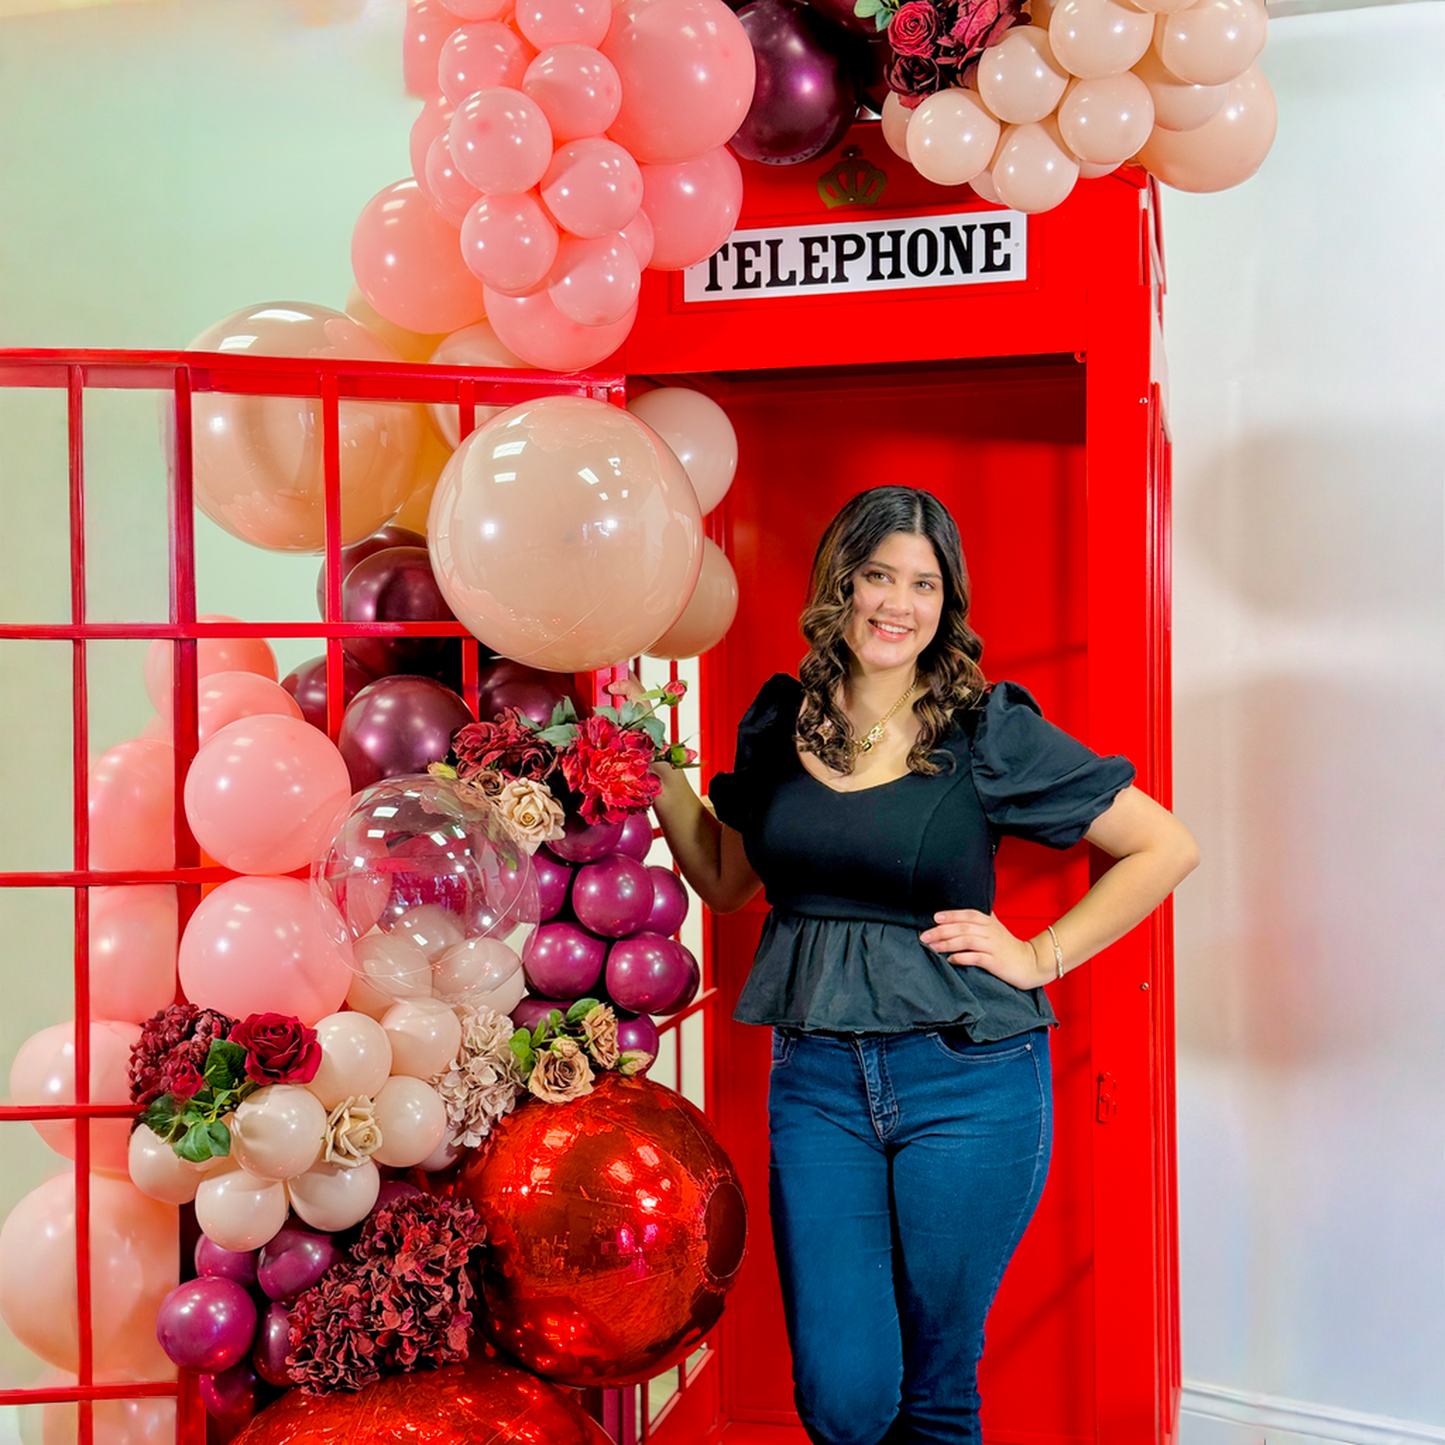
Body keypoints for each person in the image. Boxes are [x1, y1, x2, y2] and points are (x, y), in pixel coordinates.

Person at [621, 486, 1198, 1445]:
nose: (897, 602)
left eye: (922, 583)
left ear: (946, 603)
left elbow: (1162, 845)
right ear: (837, 586)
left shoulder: (987, 730)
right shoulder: (780, 722)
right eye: (877, 575)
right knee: (843, 1400)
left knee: (936, 1384)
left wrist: (1038, 952)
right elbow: (725, 880)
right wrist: (649, 754)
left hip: (968, 1081)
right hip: (818, 1085)